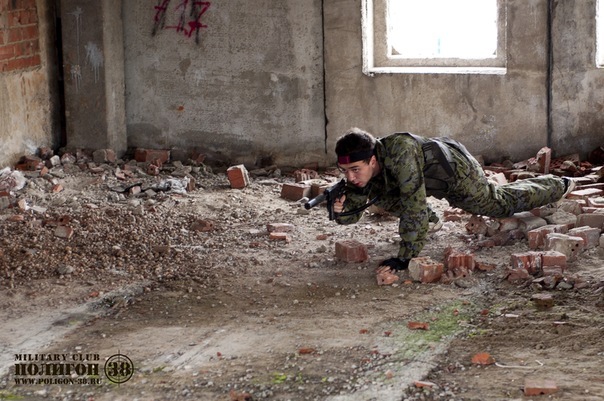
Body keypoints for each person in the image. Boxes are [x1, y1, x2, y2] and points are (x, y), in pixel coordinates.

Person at [333, 127, 574, 273]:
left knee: (497, 204)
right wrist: (340, 208)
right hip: (429, 176)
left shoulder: (401, 153)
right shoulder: (362, 171)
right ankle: (432, 221)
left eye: (355, 170)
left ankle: (558, 185)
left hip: (456, 172)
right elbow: (352, 215)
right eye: (345, 171)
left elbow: (414, 205)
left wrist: (405, 257)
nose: (350, 177)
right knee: (380, 194)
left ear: (372, 161)